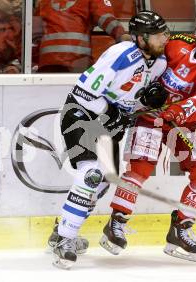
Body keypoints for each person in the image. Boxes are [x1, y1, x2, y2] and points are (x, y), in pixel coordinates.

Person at [99, 14, 196, 263]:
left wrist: (178, 110)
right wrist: (144, 89)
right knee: (139, 168)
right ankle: (116, 222)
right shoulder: (178, 42)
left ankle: (181, 227)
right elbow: (146, 54)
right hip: (150, 115)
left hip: (185, 123)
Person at [48, 10, 170, 269]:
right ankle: (66, 241)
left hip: (110, 125)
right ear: (140, 38)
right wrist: (112, 111)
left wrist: (146, 102)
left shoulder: (159, 64)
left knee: (102, 182)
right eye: (158, 35)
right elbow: (83, 92)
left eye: (164, 33)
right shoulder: (121, 54)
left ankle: (60, 230)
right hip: (82, 113)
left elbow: (131, 100)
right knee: (91, 173)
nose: (164, 39)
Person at [35, 0, 130, 73]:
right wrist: (122, 35)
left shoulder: (44, 1)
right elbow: (106, 18)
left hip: (47, 65)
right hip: (77, 63)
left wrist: (32, 63)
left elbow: (33, 33)